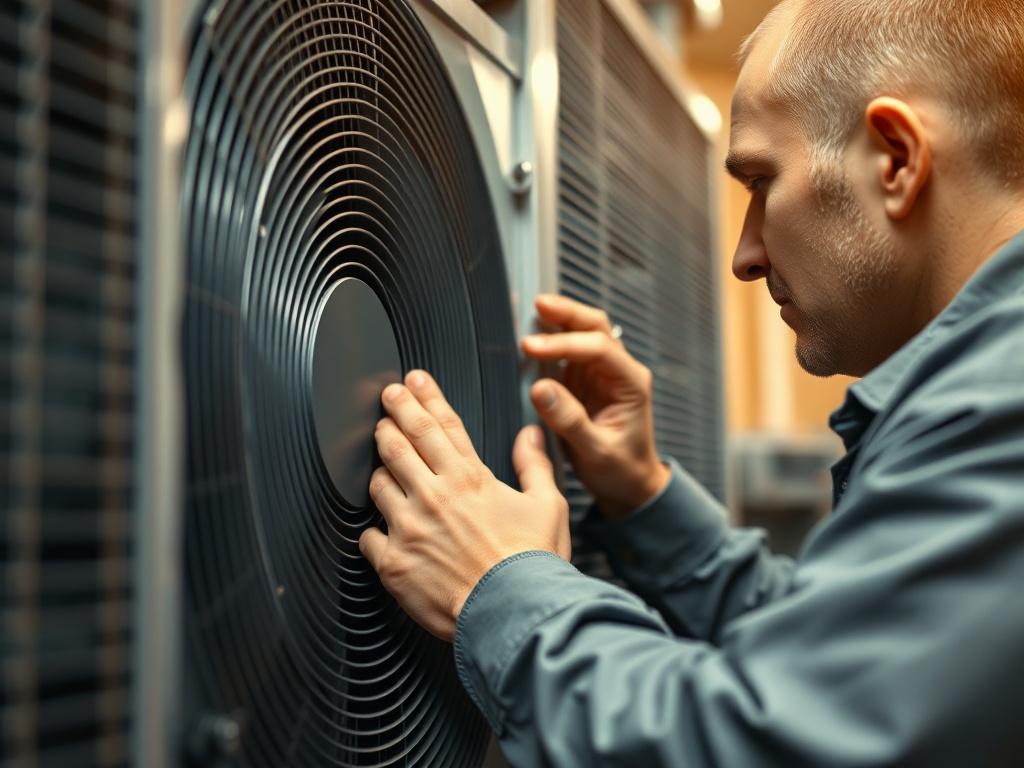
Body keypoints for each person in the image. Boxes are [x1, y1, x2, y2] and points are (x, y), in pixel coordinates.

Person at [358, 0, 1024, 763]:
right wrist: (643, 497)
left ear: (896, 160)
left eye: (761, 182)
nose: (744, 255)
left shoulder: (1001, 402)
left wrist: (500, 585)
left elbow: (762, 742)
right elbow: (856, 667)